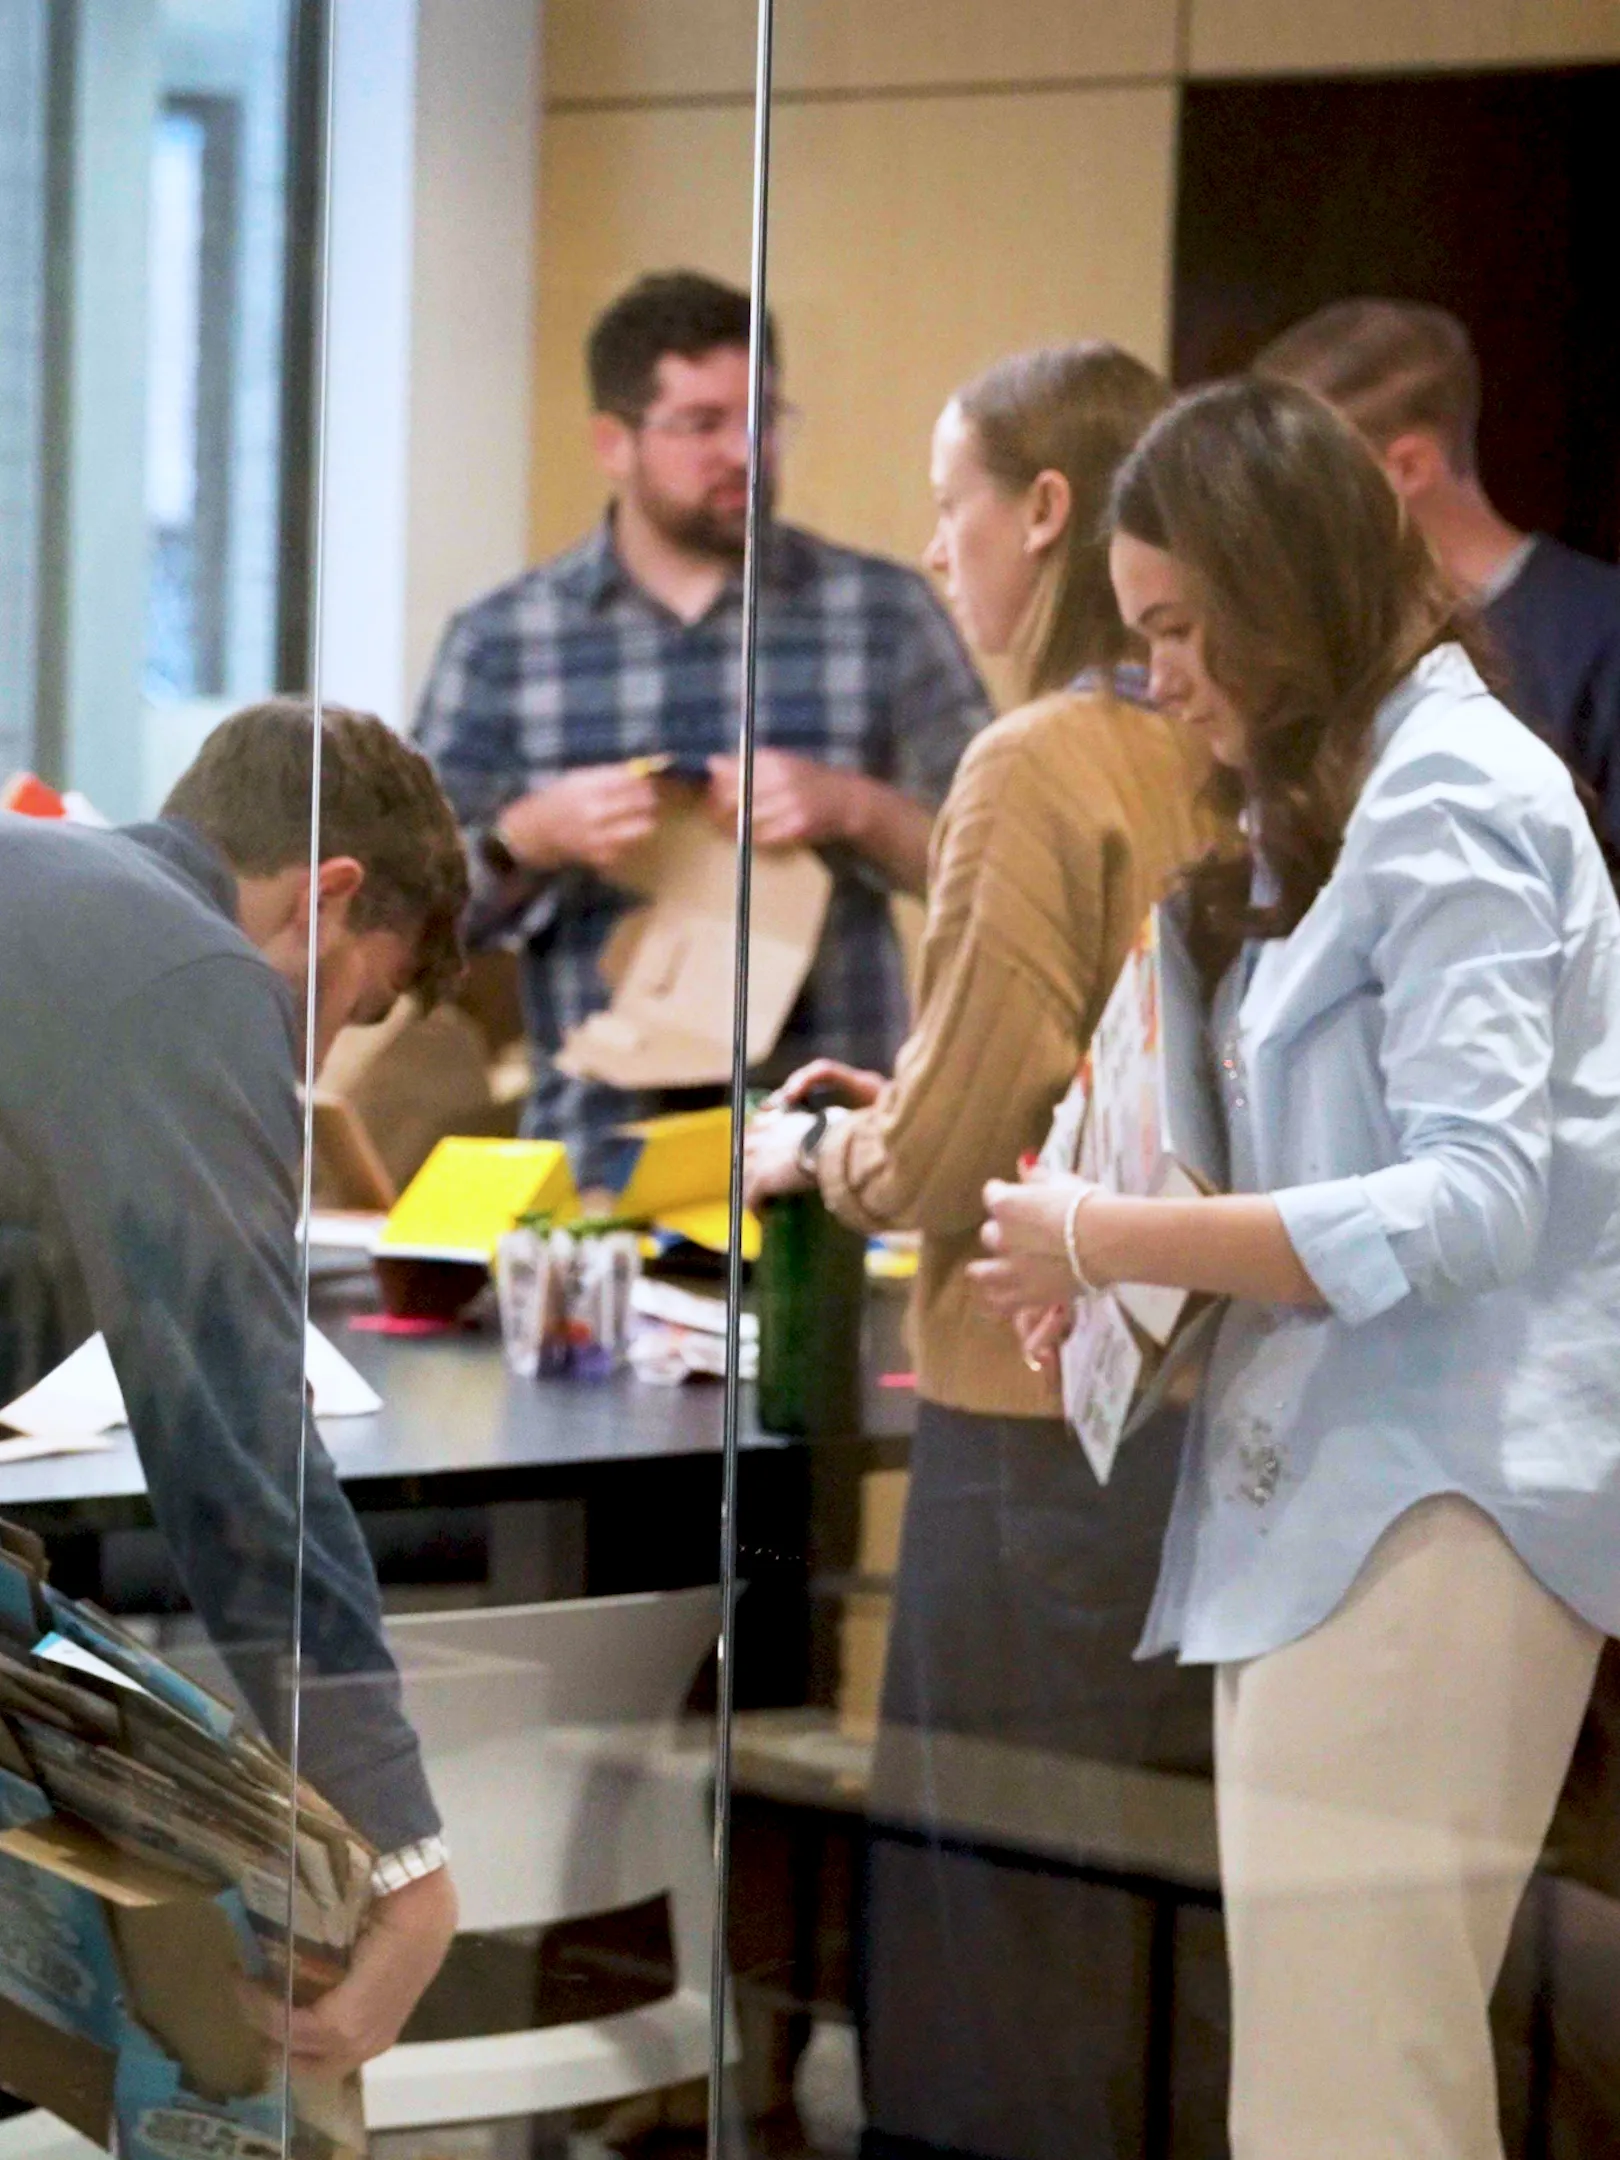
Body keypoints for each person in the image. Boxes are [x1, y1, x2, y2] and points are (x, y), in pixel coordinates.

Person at [973, 377, 1620, 2159]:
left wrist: (1109, 1236)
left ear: (1285, 592)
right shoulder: (1348, 798)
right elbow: (1315, 1176)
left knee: (1358, 2086)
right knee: (1328, 2081)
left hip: (1441, 1492)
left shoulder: (1456, 794)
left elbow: (1474, 1202)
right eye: (1142, 633)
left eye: (1183, 628)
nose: (1161, 676)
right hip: (1342, 1491)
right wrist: (1116, 1267)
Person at [745, 346, 1219, 2160]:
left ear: (1044, 510)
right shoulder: (1228, 743)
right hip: (1207, 1402)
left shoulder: (1036, 763)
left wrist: (828, 1151)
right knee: (1145, 1909)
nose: (936, 551)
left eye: (954, 507)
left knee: (992, 1913)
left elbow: (947, 1150)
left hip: (1029, 1413)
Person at [0, 700, 469, 2072]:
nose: (308, 1066)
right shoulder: (191, 974)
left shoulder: (60, 898)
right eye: (349, 1009)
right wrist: (401, 1850)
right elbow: (239, 1442)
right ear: (327, 897)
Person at [414, 269, 989, 1185]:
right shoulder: (502, 642)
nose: (742, 452)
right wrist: (530, 837)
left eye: (763, 419)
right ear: (613, 443)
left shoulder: (884, 615)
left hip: (829, 1153)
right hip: (593, 1160)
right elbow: (414, 922)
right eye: (702, 423)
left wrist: (851, 807)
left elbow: (988, 875)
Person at [1255, 298, 1620, 848]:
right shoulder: (1324, 649)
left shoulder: (1599, 638)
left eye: (1296, 485)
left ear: (1408, 467)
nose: (1272, 517)